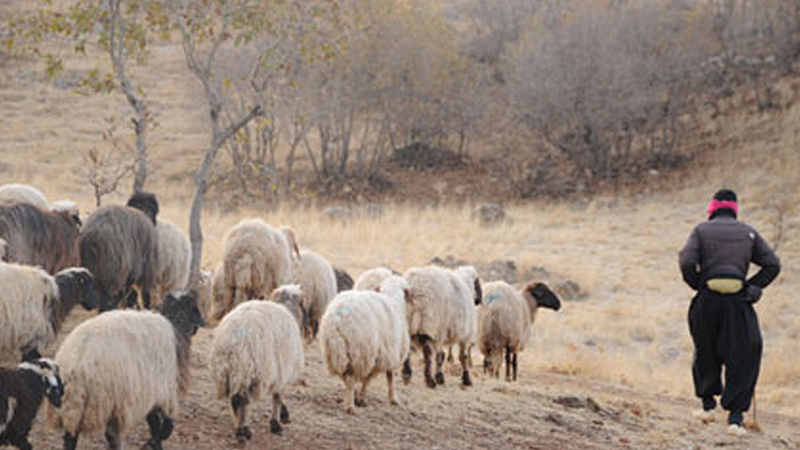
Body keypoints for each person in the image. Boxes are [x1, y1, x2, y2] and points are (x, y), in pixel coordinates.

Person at [679, 189, 780, 435]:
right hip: (737, 301)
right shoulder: (749, 232)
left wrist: (699, 285)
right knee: (744, 353)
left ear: (712, 209)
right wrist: (754, 286)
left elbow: (686, 261)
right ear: (735, 209)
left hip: (707, 302)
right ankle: (735, 418)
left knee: (706, 349)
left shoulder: (701, 230)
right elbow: (773, 264)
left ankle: (707, 405)